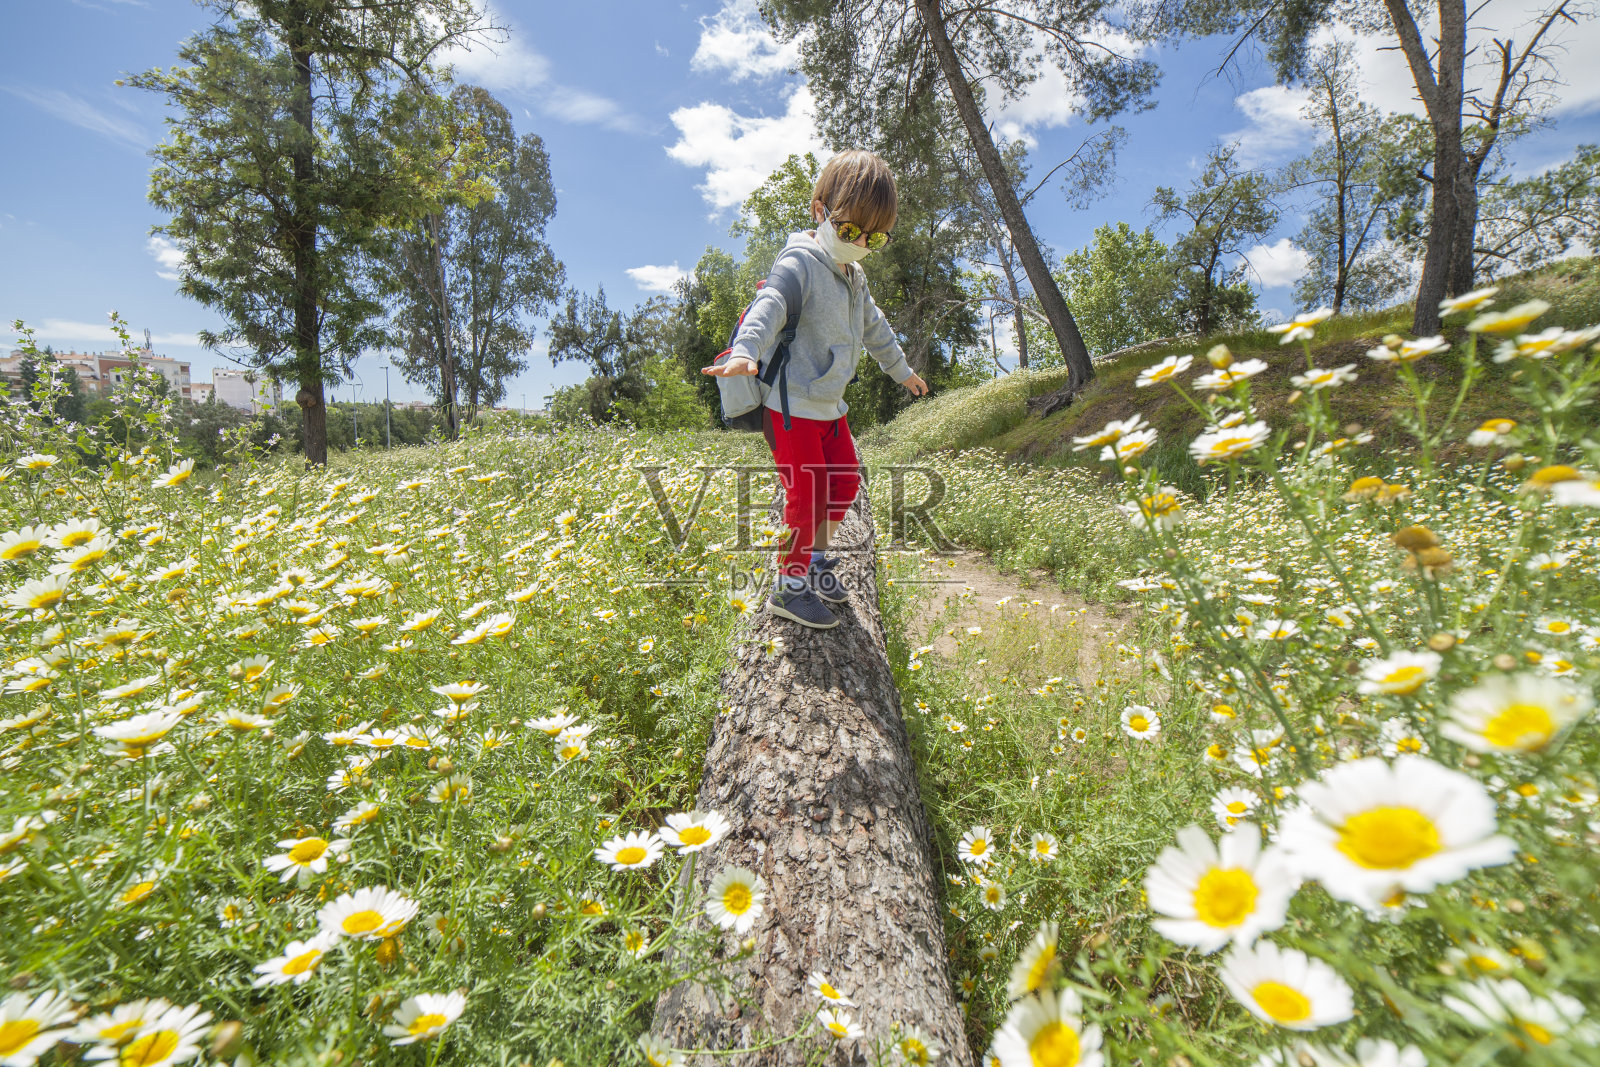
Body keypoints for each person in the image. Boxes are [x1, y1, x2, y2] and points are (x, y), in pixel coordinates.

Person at [702, 150, 929, 630]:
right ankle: (790, 585)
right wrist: (746, 350)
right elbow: (771, 303)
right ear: (819, 210)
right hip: (791, 407)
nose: (860, 244)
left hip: (830, 407)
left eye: (874, 238)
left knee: (844, 482)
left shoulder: (855, 276)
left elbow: (876, 328)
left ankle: (819, 562)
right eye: (849, 231)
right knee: (805, 496)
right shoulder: (800, 261)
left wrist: (901, 371)